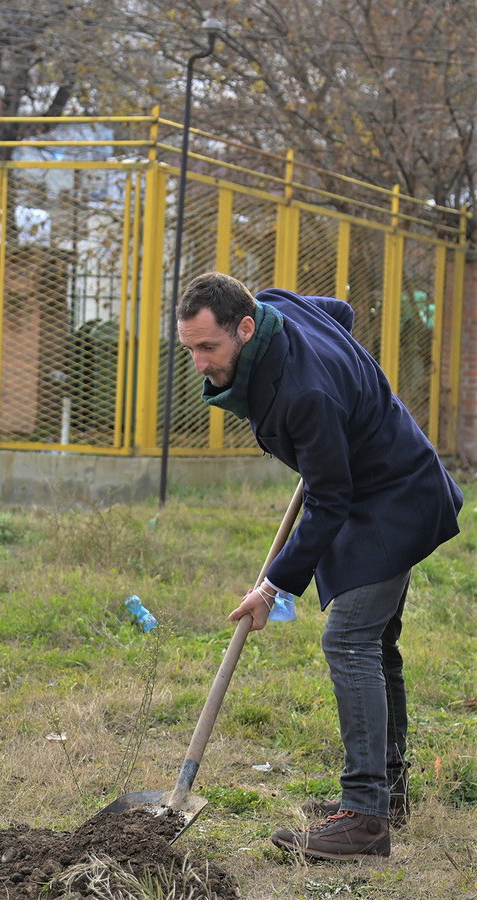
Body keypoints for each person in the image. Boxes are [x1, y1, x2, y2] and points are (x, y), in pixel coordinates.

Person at [176, 272, 463, 861]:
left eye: (209, 348)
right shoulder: (278, 305)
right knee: (376, 642)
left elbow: (330, 499)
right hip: (373, 483)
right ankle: (388, 792)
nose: (199, 363)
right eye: (190, 349)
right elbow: (342, 311)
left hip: (394, 499)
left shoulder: (304, 396)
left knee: (350, 641)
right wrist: (343, 414)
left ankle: (365, 817)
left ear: (245, 328)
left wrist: (275, 585)